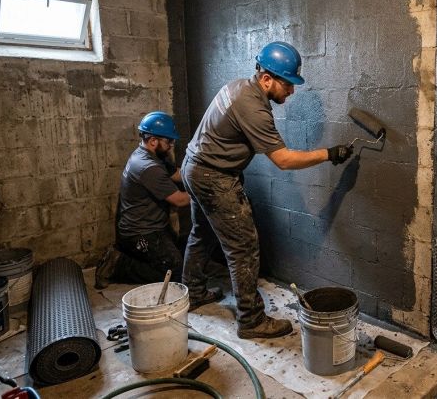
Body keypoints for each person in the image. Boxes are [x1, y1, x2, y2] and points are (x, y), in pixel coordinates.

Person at [182, 41, 353, 339]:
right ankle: (251, 321)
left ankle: (193, 292)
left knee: (202, 232)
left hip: (193, 168)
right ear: (266, 79)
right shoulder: (253, 107)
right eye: (288, 84)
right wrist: (329, 153)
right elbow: (284, 160)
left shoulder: (238, 87)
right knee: (243, 247)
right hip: (214, 178)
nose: (291, 91)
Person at [95, 111, 190, 290]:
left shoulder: (155, 155)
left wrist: (199, 176)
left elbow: (176, 174)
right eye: (168, 141)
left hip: (154, 226)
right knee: (175, 271)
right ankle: (118, 265)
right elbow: (179, 200)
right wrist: (207, 192)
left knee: (179, 256)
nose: (171, 145)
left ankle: (129, 258)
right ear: (153, 141)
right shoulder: (147, 167)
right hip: (139, 233)